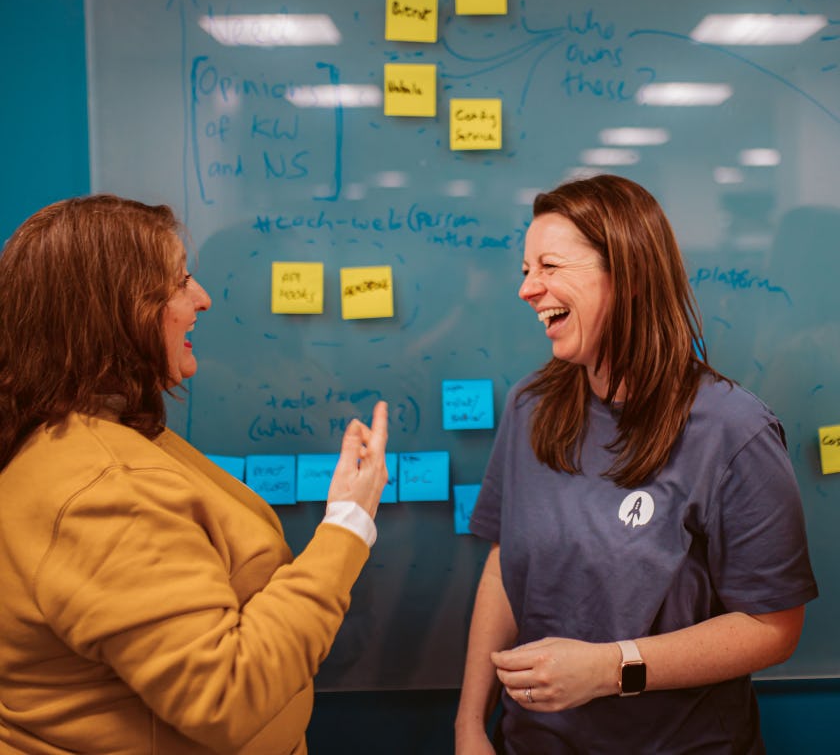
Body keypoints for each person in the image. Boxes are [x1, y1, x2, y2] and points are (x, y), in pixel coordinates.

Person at [0, 194, 389, 754]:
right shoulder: (103, 489)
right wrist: (348, 527)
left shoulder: (89, 437)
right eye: (179, 282)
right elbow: (224, 695)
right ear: (117, 310)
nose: (202, 300)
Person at [455, 174, 818, 754]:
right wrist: (470, 724)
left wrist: (609, 668)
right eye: (526, 270)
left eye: (548, 266)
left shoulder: (733, 431)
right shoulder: (531, 407)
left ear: (625, 277)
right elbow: (504, 565)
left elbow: (773, 629)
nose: (528, 288)